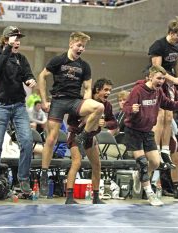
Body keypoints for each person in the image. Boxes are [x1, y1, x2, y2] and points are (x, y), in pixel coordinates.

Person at [37, 31, 104, 196]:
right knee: (51, 138)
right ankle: (44, 173)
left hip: (75, 101)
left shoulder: (84, 66)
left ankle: (83, 137)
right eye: (79, 45)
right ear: (71, 44)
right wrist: (44, 100)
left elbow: (88, 89)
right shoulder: (58, 60)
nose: (81, 49)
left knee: (99, 107)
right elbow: (42, 76)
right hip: (58, 101)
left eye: (83, 46)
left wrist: (85, 109)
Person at [123, 65, 178, 206]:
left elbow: (168, 104)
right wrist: (132, 109)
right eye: (159, 78)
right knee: (142, 162)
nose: (161, 81)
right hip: (133, 130)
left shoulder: (158, 92)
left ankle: (139, 175)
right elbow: (125, 107)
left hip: (147, 131)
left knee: (155, 162)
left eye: (163, 79)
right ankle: (150, 194)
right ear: (150, 77)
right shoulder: (138, 90)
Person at [0, 26, 36, 197]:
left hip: (19, 105)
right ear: (6, 39)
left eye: (19, 38)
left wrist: (30, 80)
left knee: (27, 142)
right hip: (0, 105)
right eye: (15, 38)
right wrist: (7, 49)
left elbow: (28, 74)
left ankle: (23, 179)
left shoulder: (21, 58)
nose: (18, 41)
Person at [65, 78, 118, 204]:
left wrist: (104, 123)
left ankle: (95, 197)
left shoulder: (107, 105)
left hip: (90, 137)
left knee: (97, 165)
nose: (108, 93)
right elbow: (70, 120)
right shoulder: (84, 101)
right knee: (76, 163)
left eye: (110, 90)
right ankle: (69, 197)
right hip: (76, 134)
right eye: (105, 90)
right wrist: (83, 119)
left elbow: (114, 123)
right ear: (97, 90)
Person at [148, 17, 178, 170]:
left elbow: (177, 66)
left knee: (169, 116)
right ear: (171, 33)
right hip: (157, 81)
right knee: (160, 116)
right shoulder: (159, 45)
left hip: (170, 83)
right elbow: (157, 70)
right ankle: (156, 150)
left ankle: (165, 149)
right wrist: (173, 79)